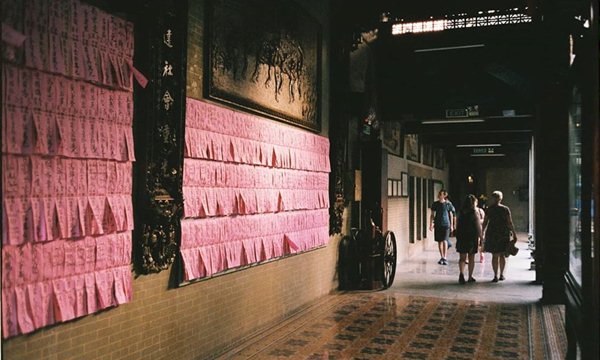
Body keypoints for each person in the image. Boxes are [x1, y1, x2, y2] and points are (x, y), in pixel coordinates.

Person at [482, 191, 518, 282]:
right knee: (502, 254)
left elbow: (485, 222)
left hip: (492, 233)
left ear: (493, 198)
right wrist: (514, 233)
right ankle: (501, 274)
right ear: (501, 198)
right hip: (503, 233)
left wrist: (482, 233)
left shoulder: (489, 209)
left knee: (495, 255)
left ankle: (495, 275)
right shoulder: (505, 209)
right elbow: (509, 223)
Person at [455, 195, 482, 284]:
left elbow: (457, 223)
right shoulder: (474, 212)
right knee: (471, 258)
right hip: (472, 237)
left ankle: (461, 273)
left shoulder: (461, 212)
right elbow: (478, 226)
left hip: (462, 236)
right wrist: (481, 237)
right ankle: (470, 276)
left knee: (462, 258)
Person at [429, 190, 456, 265]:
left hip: (446, 224)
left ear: (444, 195)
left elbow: (451, 215)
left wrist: (451, 225)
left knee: (445, 240)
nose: (439, 195)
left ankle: (445, 257)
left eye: (440, 194)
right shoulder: (435, 204)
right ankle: (442, 256)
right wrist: (430, 224)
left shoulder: (448, 204)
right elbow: (432, 215)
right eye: (439, 194)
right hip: (438, 224)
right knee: (439, 241)